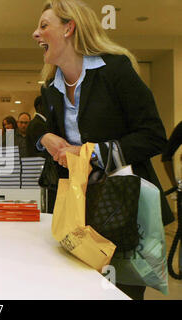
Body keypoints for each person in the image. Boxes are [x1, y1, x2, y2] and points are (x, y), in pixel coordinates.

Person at [32, 0, 173, 300]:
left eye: (44, 25)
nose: (35, 33)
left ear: (69, 28)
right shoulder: (50, 87)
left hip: (124, 214)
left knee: (119, 294)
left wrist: (91, 153)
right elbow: (34, 128)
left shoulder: (116, 70)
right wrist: (46, 138)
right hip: (75, 217)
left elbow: (153, 135)